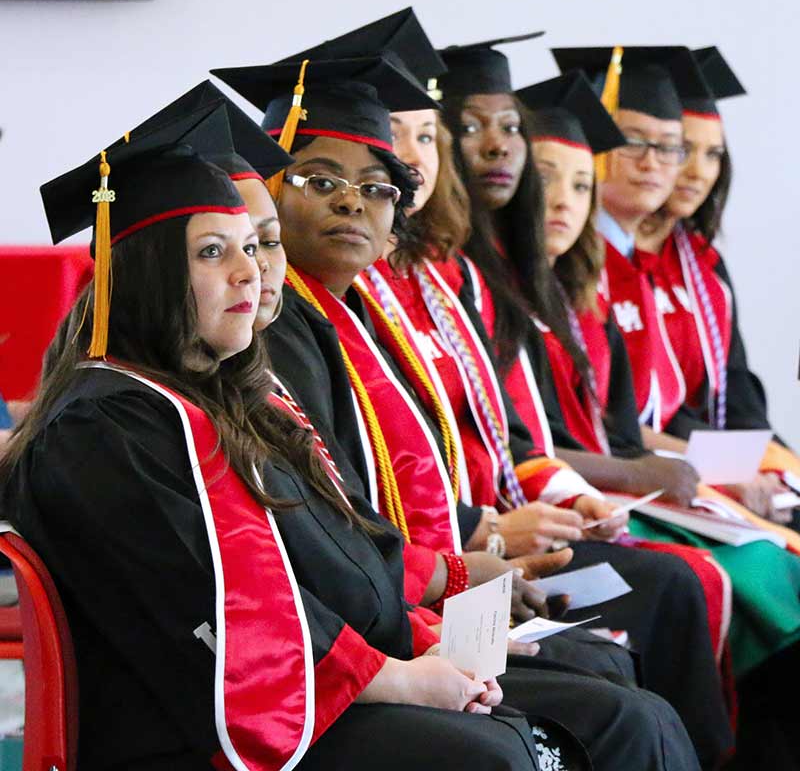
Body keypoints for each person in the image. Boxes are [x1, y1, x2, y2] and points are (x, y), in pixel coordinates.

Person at [0, 106, 550, 771]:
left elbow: (296, 580)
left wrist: (415, 647)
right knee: (489, 754)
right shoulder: (105, 429)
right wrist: (394, 676)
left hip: (277, 699)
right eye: (212, 251)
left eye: (253, 248)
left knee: (520, 724)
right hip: (190, 736)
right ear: (146, 274)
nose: (249, 273)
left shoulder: (205, 401)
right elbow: (215, 610)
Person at [212, 41, 703, 771]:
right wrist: (475, 564)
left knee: (613, 670)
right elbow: (330, 533)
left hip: (413, 589)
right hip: (365, 627)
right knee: (621, 703)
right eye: (320, 180)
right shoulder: (271, 334)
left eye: (377, 187)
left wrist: (474, 568)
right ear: (270, 202)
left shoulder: (369, 316)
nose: (352, 200)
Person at [431, 37, 734, 767]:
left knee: (694, 587)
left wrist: (575, 500)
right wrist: (493, 531)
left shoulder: (527, 287)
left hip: (508, 533)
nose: (563, 201)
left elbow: (522, 440)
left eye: (577, 186)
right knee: (673, 596)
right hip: (459, 557)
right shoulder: (450, 285)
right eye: (469, 130)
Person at [634, 46, 800, 521]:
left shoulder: (702, 264)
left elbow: (735, 385)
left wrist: (765, 464)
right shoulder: (606, 268)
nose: (698, 171)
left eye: (713, 155)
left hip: (710, 447)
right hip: (652, 459)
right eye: (682, 149)